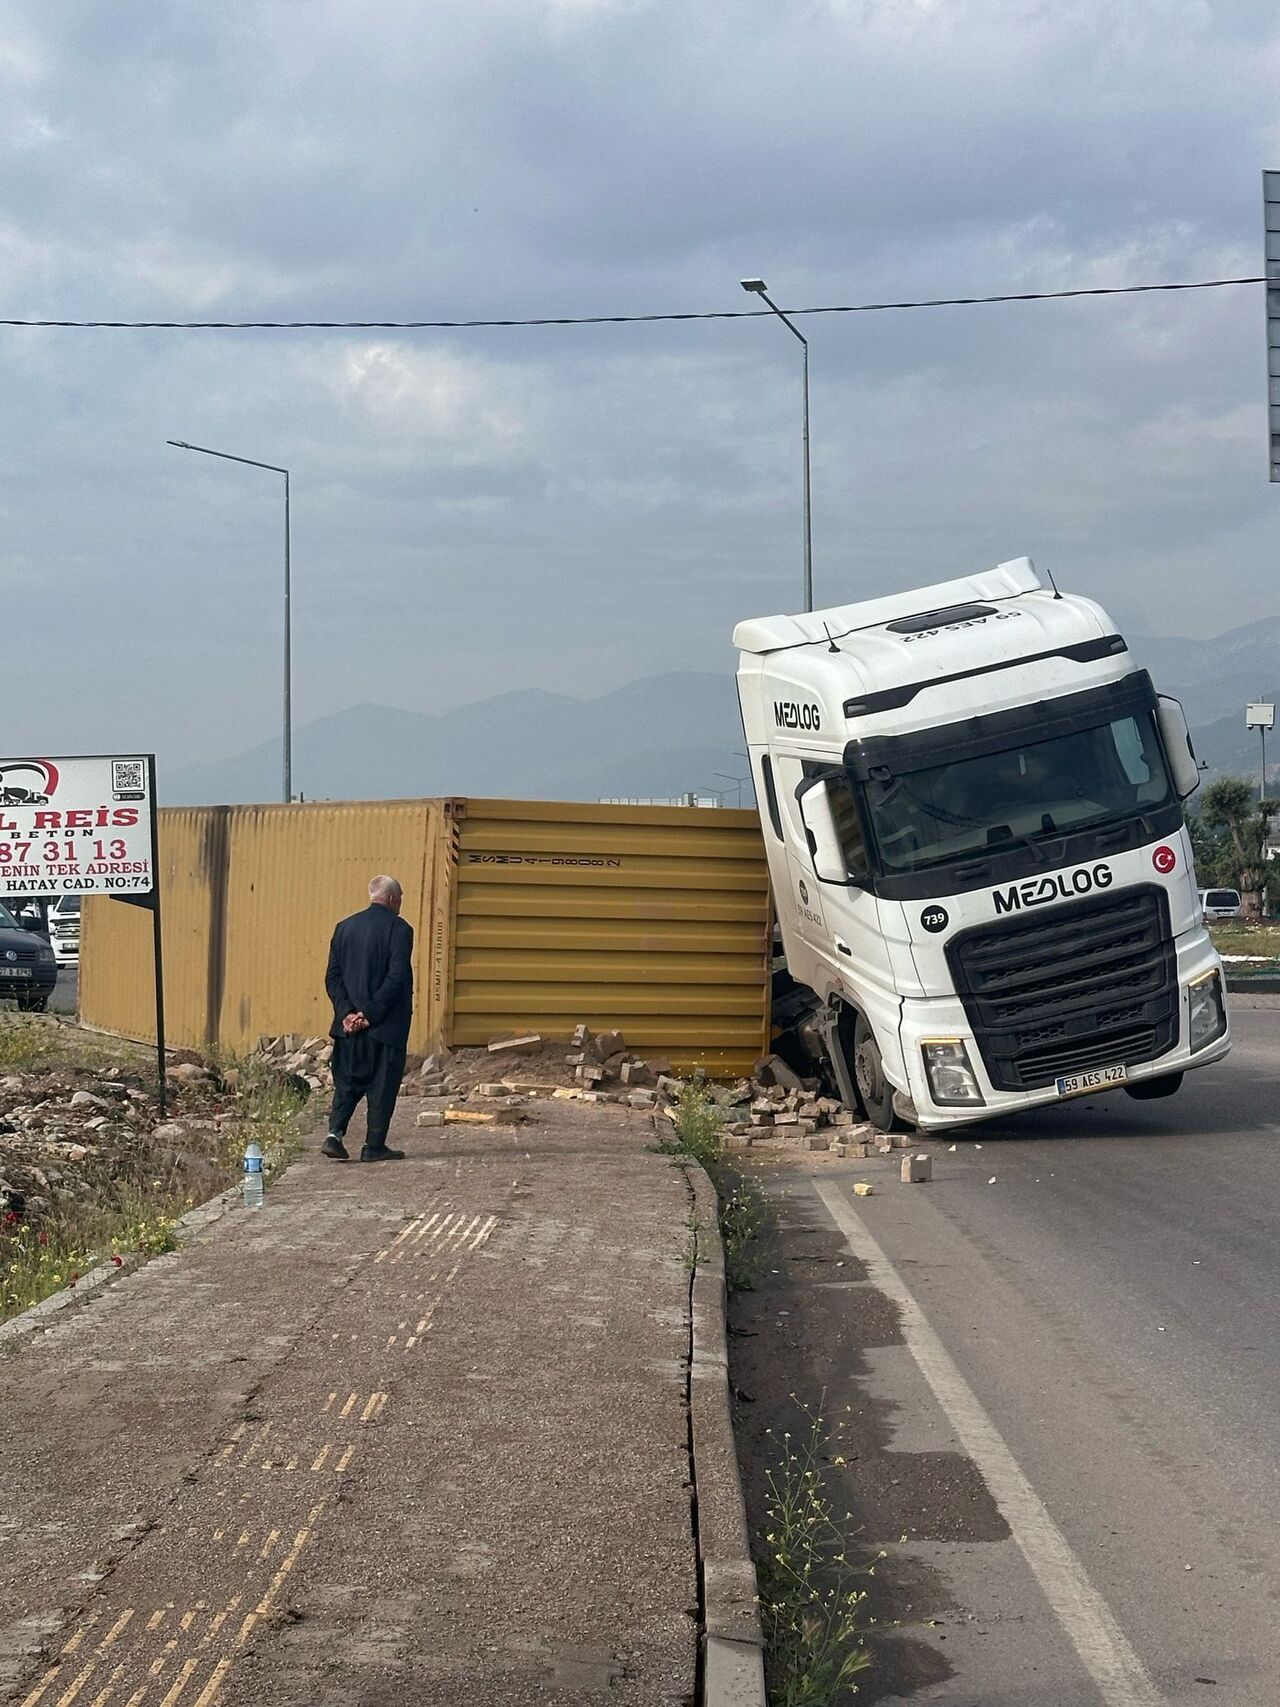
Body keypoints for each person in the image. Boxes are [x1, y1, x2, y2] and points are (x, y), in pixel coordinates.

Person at [322, 875, 414, 1163]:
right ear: (391, 899)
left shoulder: (344, 928)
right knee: (382, 1086)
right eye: (400, 897)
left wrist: (348, 1013)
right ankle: (374, 1145)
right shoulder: (399, 929)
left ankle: (334, 1134)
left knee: (347, 1082)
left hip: (348, 1029)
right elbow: (397, 976)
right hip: (385, 1027)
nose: (400, 902)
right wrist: (370, 1014)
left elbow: (333, 977)